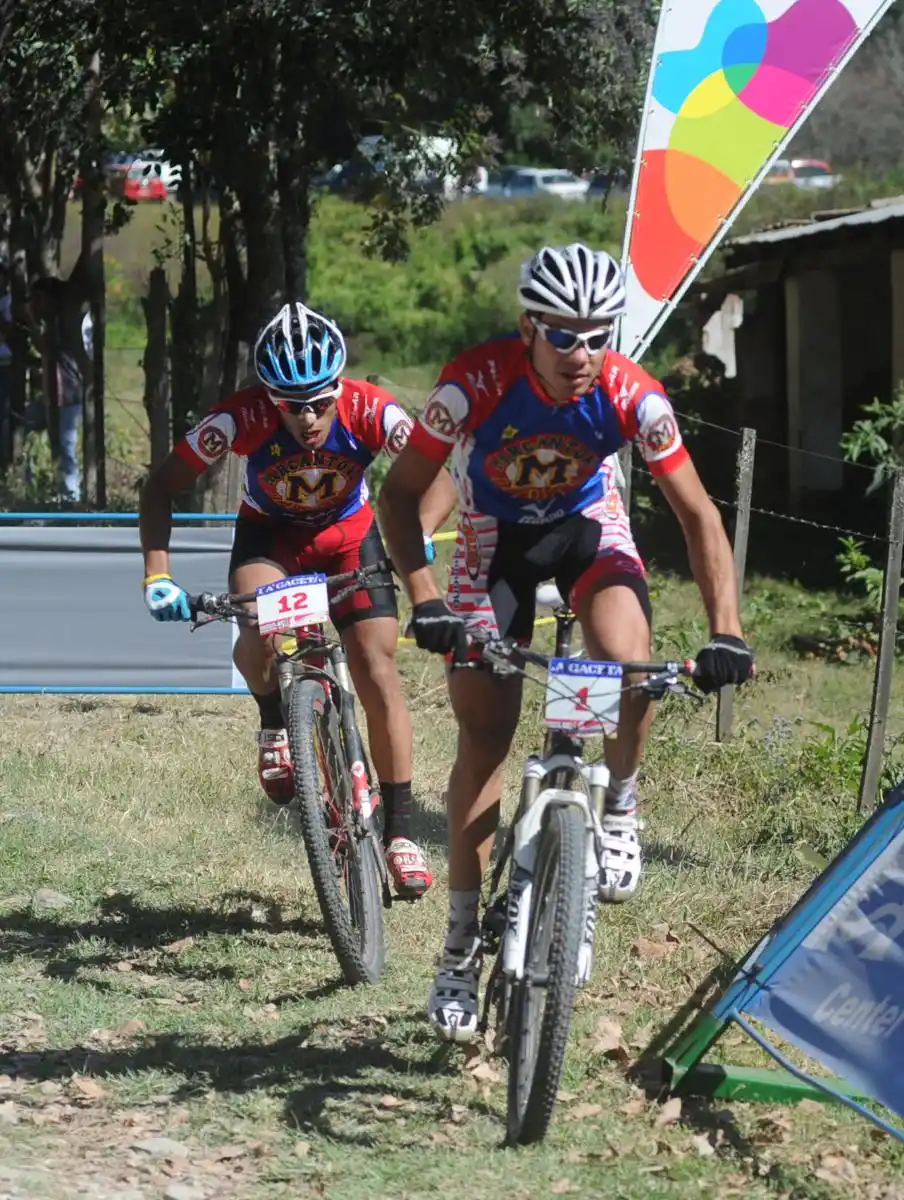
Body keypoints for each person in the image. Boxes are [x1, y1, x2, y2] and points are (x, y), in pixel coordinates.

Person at [378, 242, 755, 1039]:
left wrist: (728, 631)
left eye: (599, 334)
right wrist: (425, 598)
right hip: (494, 544)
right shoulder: (473, 382)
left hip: (589, 533)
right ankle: (456, 947)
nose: (583, 354)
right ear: (528, 328)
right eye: (564, 336)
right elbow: (402, 493)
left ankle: (619, 804)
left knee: (630, 664)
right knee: (486, 737)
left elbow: (698, 516)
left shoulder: (631, 396)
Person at [138, 302, 457, 898]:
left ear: (340, 385)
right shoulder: (239, 419)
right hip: (272, 539)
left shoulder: (369, 409)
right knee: (256, 630)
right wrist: (157, 574)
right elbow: (160, 485)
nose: (308, 417)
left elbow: (439, 476)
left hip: (350, 538)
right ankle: (272, 722)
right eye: (291, 405)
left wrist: (417, 535)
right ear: (269, 397)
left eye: (319, 400)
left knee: (376, 666)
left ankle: (402, 830)